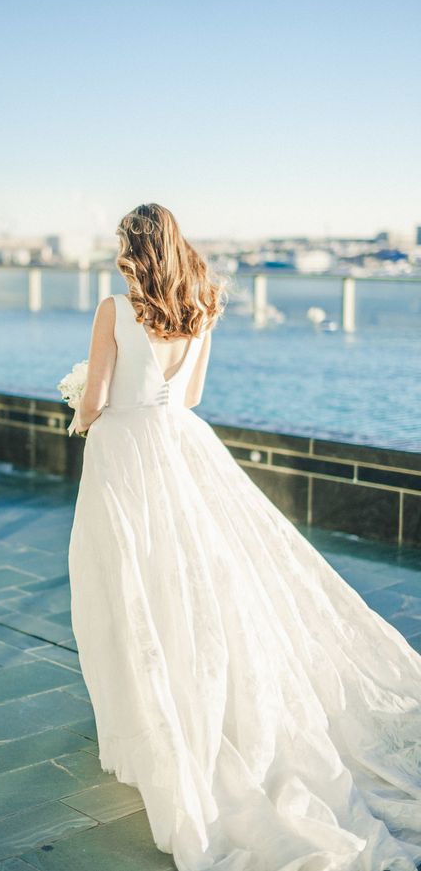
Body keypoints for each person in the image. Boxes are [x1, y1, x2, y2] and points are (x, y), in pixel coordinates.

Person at [68, 203, 421, 871]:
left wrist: (82, 399)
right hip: (181, 447)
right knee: (192, 584)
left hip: (126, 455)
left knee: (127, 587)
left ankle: (145, 729)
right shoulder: (203, 301)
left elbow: (94, 403)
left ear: (131, 248)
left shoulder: (115, 309)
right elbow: (191, 396)